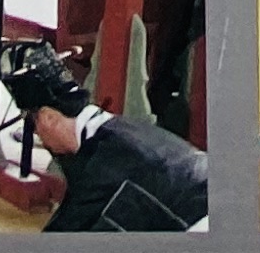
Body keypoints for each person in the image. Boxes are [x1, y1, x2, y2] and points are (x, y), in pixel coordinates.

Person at [32, 95, 209, 231]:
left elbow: (69, 229)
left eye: (33, 123)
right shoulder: (121, 128)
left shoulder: (103, 156)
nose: (37, 135)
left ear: (48, 117)